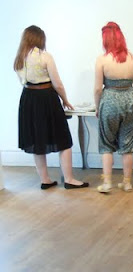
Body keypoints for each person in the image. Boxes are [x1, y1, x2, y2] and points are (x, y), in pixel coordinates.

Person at [14, 25, 89, 190]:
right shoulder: (45, 56)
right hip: (47, 98)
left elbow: (22, 82)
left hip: (28, 100)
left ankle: (45, 180)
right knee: (64, 139)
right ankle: (69, 179)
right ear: (40, 39)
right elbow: (57, 83)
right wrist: (65, 100)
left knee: (37, 140)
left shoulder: (19, 58)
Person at [94, 22, 133, 193]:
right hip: (131, 101)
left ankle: (107, 183)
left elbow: (98, 89)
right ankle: (127, 183)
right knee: (127, 144)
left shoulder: (102, 60)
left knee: (106, 144)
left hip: (110, 102)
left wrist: (97, 107)